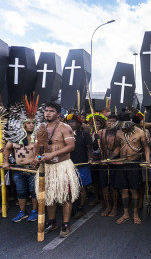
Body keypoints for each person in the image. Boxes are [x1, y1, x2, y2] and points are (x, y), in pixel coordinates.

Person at [36, 102, 80, 238]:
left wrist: (52, 154)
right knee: (49, 196)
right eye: (46, 110)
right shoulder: (41, 128)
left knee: (65, 196)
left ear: (58, 113)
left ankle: (65, 224)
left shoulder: (64, 128)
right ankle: (52, 221)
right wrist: (36, 157)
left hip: (62, 167)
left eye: (51, 111)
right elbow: (37, 146)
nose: (48, 113)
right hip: (46, 167)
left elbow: (71, 146)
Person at [2, 96, 43, 222]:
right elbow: (7, 149)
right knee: (21, 191)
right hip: (18, 168)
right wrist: (6, 162)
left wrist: (38, 159)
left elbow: (44, 151)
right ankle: (22, 212)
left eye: (33, 123)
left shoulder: (38, 138)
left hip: (33, 169)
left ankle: (35, 212)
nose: (31, 125)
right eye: (28, 123)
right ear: (23, 124)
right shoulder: (14, 138)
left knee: (33, 192)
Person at [108, 112, 150, 225]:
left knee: (133, 189)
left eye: (125, 127)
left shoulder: (140, 132)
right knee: (124, 189)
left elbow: (146, 148)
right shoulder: (119, 133)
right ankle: (126, 213)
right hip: (122, 164)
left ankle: (135, 213)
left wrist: (147, 161)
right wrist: (109, 158)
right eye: (121, 127)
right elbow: (117, 148)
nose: (123, 129)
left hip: (134, 164)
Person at [65, 113, 93, 219]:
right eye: (69, 122)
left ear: (78, 123)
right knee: (70, 187)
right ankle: (72, 206)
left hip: (82, 164)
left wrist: (90, 159)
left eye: (73, 122)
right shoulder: (64, 134)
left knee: (82, 187)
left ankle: (81, 207)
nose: (71, 124)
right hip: (67, 165)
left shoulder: (84, 134)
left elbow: (89, 148)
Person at [97, 114, 119, 217]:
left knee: (114, 186)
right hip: (102, 163)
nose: (111, 123)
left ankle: (114, 207)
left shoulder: (119, 133)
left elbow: (118, 148)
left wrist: (110, 159)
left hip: (114, 163)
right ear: (106, 122)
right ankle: (108, 206)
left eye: (113, 121)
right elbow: (96, 146)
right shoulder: (101, 132)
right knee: (104, 186)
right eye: (109, 121)